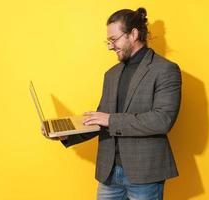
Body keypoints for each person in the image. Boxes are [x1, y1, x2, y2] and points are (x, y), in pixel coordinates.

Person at [42, 7, 182, 200]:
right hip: (109, 173)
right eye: (108, 41)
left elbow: (162, 120)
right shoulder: (111, 74)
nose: (110, 46)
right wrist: (64, 134)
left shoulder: (165, 70)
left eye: (114, 40)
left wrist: (111, 120)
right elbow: (100, 120)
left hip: (145, 174)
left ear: (133, 34)